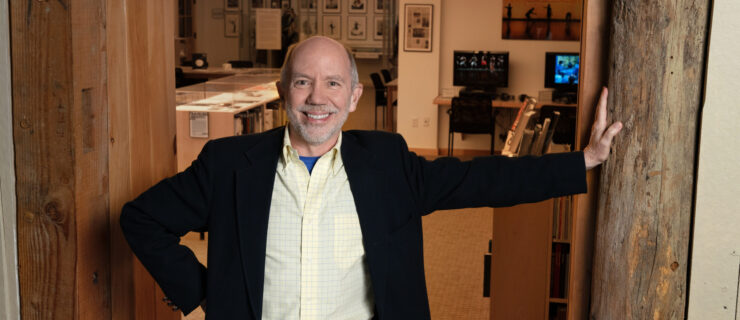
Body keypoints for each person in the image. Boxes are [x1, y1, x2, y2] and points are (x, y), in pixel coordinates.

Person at [120, 36, 622, 319]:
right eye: (303, 82)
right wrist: (204, 291)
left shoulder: (387, 163)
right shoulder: (229, 164)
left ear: (354, 96)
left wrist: (583, 161)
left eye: (333, 83)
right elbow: (142, 219)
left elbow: (483, 180)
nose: (318, 98)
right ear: (282, 90)